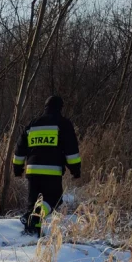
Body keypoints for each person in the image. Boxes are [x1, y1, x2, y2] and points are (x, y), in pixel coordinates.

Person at [12, 95, 81, 236]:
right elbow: (71, 150)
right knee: (54, 199)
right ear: (60, 108)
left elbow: (19, 149)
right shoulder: (63, 124)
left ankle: (31, 231)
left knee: (33, 202)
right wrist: (75, 170)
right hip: (52, 172)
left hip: (32, 172)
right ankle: (34, 217)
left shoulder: (33, 124)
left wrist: (17, 168)